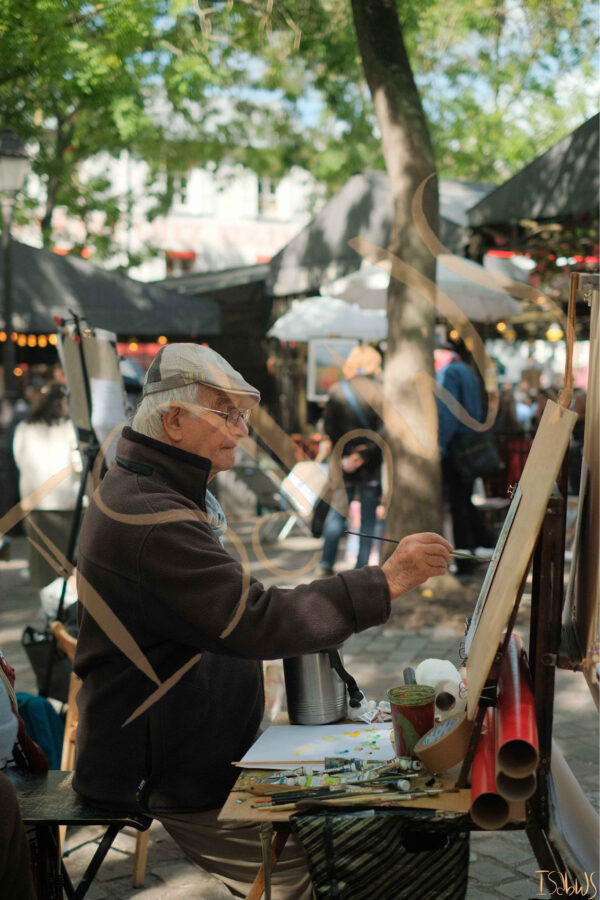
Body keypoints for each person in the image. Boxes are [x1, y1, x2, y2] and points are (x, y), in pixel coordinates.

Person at [73, 342, 451, 899]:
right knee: (316, 867)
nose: (241, 431)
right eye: (226, 414)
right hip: (170, 771)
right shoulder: (151, 513)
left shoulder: (155, 484)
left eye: (243, 415)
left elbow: (237, 610)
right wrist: (386, 579)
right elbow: (255, 619)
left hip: (193, 748)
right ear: (173, 419)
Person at [318, 345, 384, 576]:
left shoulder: (338, 390)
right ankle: (361, 568)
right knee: (368, 518)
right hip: (371, 464)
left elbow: (329, 428)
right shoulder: (381, 390)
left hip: (344, 463)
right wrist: (364, 455)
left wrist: (348, 456)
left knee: (337, 513)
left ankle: (326, 562)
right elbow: (386, 431)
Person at [12, 382, 82, 588]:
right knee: (67, 563)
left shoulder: (24, 427)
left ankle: (48, 608)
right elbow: (79, 464)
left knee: (41, 564)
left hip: (35, 502)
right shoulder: (70, 428)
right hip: (66, 502)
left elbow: (18, 459)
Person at [436, 341, 494, 567]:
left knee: (457, 502)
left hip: (457, 447)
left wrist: (441, 445)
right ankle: (482, 543)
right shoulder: (466, 370)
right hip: (470, 444)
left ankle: (464, 559)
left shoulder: (449, 371)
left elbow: (447, 412)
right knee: (464, 499)